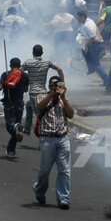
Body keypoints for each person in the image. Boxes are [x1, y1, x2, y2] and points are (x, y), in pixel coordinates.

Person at [34, 76, 74, 209]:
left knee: (64, 170)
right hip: (47, 139)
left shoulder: (63, 100)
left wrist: (64, 98)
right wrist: (52, 94)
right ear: (49, 86)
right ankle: (39, 190)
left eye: (57, 85)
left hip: (62, 138)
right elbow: (40, 106)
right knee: (45, 169)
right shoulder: (41, 97)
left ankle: (63, 198)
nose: (56, 87)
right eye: (53, 85)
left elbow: (71, 114)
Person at [21, 45, 63, 135]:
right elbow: (59, 69)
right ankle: (27, 128)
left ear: (33, 53)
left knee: (40, 116)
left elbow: (19, 72)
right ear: (42, 53)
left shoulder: (28, 63)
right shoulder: (47, 62)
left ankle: (43, 138)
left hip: (33, 93)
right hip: (44, 93)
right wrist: (62, 84)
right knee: (29, 106)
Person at [0, 58, 29, 157]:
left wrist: (2, 85)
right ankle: (11, 151)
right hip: (19, 104)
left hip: (9, 103)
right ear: (20, 65)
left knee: (10, 126)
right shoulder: (25, 75)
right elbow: (26, 90)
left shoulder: (6, 74)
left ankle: (15, 128)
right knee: (17, 126)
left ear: (10, 65)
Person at [76, 10, 109, 85]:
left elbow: (93, 36)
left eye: (78, 17)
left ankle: (106, 79)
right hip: (95, 44)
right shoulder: (87, 22)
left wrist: (87, 46)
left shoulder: (87, 25)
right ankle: (92, 69)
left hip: (95, 44)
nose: (77, 19)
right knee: (94, 62)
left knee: (96, 64)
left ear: (82, 17)